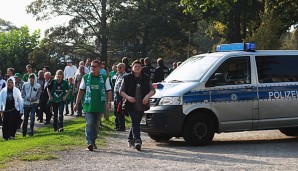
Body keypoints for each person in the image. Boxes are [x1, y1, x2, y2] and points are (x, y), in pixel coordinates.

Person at [74, 60, 112, 151]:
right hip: (88, 105)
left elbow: (109, 90)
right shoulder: (86, 77)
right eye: (91, 66)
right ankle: (89, 142)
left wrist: (109, 102)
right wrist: (76, 103)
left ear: (99, 68)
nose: (93, 68)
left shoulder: (104, 78)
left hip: (99, 105)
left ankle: (93, 141)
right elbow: (81, 90)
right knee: (89, 123)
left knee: (96, 124)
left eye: (95, 66)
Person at [120, 60, 155, 151]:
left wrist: (147, 96)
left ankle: (130, 139)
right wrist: (128, 97)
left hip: (142, 104)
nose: (137, 68)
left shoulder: (146, 77)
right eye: (135, 66)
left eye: (139, 66)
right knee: (135, 121)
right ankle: (137, 140)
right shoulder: (127, 78)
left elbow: (152, 90)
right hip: (130, 104)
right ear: (132, 67)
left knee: (135, 122)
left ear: (141, 68)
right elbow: (121, 91)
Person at [0, 76, 24, 140]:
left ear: (13, 83)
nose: (9, 84)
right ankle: (5, 137)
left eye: (11, 82)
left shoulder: (16, 90)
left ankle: (12, 135)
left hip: (14, 109)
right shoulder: (3, 90)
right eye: (8, 82)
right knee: (5, 123)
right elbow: (0, 100)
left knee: (13, 123)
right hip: (6, 110)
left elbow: (20, 100)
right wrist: (0, 109)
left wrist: (21, 110)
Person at [113, 63, 127, 132]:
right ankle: (117, 125)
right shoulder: (117, 75)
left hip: (121, 96)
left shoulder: (126, 76)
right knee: (115, 111)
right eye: (118, 67)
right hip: (116, 95)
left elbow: (126, 87)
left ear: (123, 68)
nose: (118, 69)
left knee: (120, 111)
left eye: (120, 67)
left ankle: (122, 127)